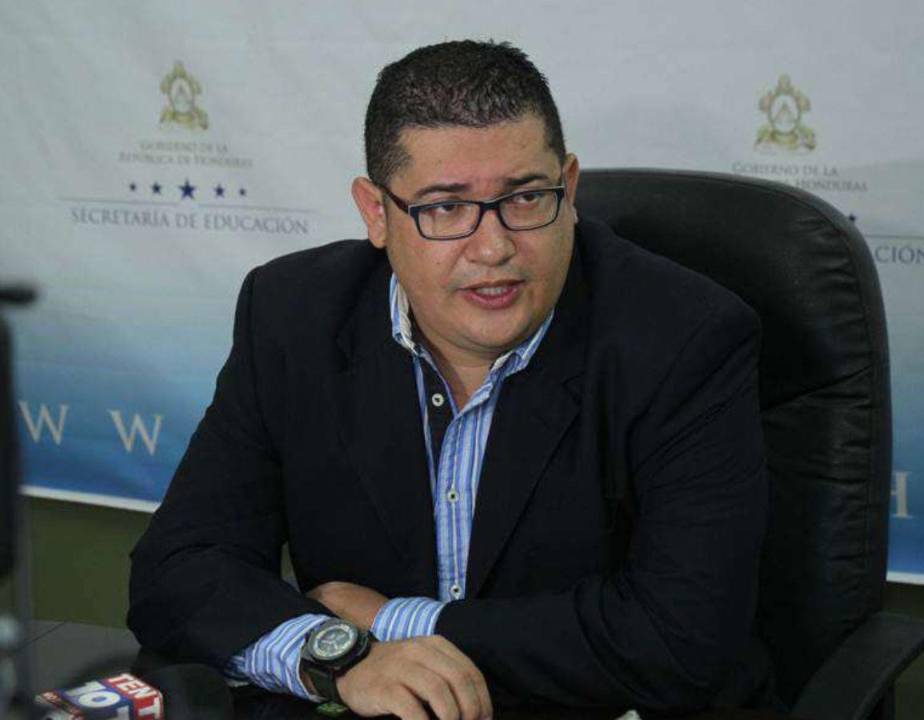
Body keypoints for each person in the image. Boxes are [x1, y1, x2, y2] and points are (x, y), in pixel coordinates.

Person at [128, 40, 769, 719]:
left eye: (527, 197)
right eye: (445, 208)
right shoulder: (294, 318)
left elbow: (681, 639)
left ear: (570, 189)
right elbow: (179, 567)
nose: (493, 248)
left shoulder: (685, 340)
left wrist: (392, 623)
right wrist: (335, 656)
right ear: (376, 213)